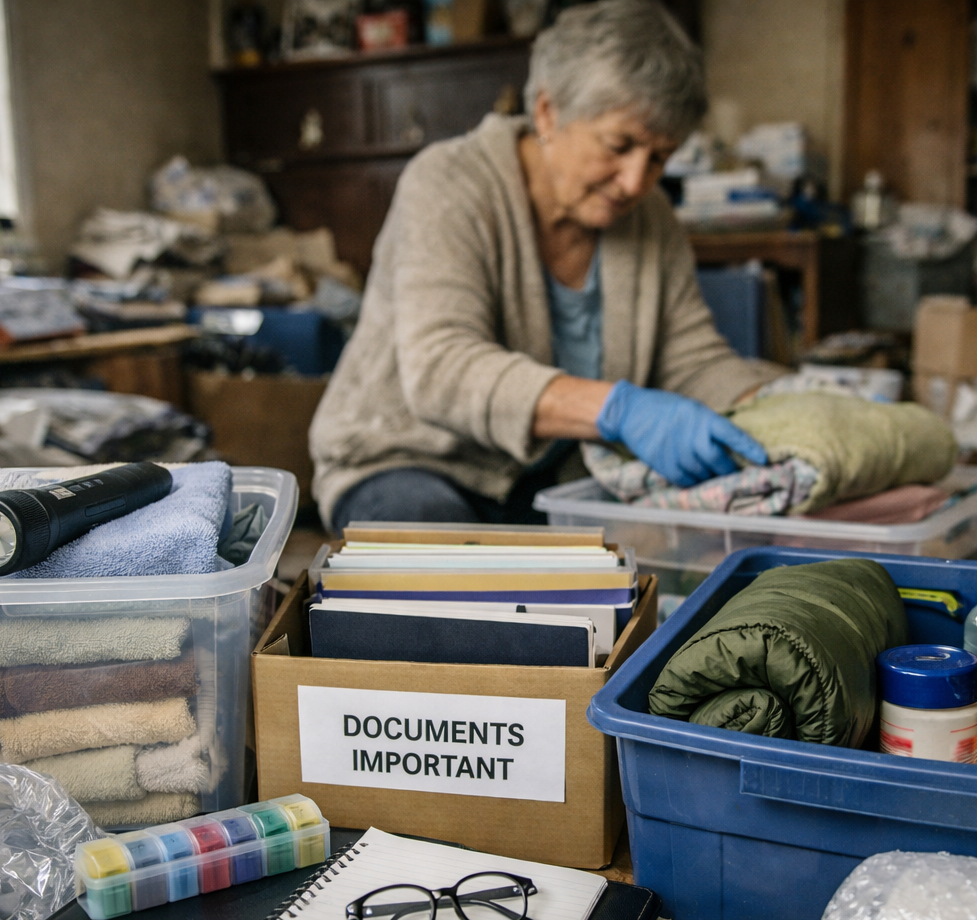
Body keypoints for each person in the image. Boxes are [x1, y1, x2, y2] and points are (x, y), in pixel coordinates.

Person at [309, 0, 786, 532]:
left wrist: (784, 407)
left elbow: (693, 363)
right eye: (620, 145)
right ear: (547, 113)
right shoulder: (448, 182)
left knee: (634, 560)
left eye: (658, 157)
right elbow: (442, 368)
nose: (635, 181)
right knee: (443, 556)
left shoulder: (651, 219)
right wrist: (616, 410)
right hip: (407, 462)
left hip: (541, 479)